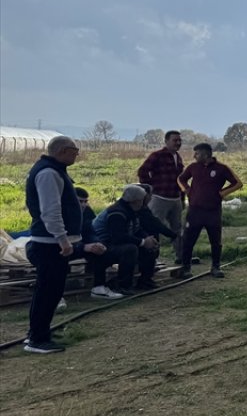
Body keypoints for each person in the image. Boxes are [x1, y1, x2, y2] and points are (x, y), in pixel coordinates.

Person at [23, 136, 83, 354]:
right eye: (75, 150)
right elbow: (50, 210)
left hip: (52, 242)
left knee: (51, 291)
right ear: (64, 151)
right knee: (47, 292)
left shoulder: (54, 170)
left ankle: (39, 332)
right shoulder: (49, 173)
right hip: (50, 244)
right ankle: (37, 339)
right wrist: (63, 239)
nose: (77, 154)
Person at [92, 184, 176, 294]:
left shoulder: (132, 210)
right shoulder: (117, 213)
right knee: (130, 249)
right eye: (142, 199)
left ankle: (145, 281)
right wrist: (142, 242)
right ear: (136, 200)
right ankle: (123, 285)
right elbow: (118, 237)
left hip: (115, 242)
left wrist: (148, 238)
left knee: (150, 246)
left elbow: (136, 229)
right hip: (103, 245)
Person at [176, 143, 242, 279]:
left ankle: (215, 267)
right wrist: (187, 190)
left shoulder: (221, 168)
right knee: (188, 240)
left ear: (206, 154)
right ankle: (186, 267)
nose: (194, 156)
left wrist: (222, 193)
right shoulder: (193, 167)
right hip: (194, 210)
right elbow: (181, 179)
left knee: (215, 241)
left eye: (197, 153)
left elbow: (237, 183)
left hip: (213, 211)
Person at [137, 131, 185, 263]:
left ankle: (181, 256)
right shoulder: (157, 156)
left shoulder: (178, 157)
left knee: (177, 228)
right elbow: (142, 171)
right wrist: (150, 189)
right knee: (153, 227)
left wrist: (182, 197)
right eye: (175, 140)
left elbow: (181, 179)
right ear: (166, 141)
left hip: (175, 198)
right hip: (159, 198)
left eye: (179, 141)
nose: (178, 143)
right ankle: (152, 257)